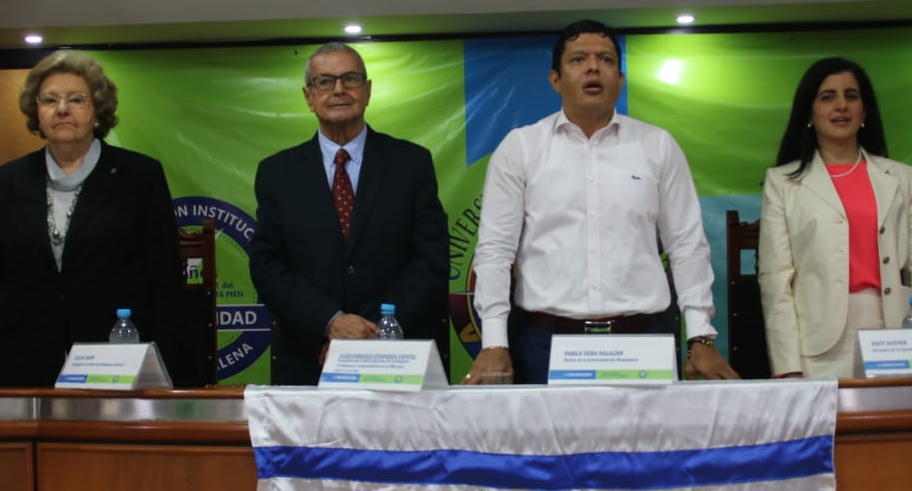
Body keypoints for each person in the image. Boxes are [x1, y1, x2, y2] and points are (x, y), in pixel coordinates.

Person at [464, 19, 738, 384]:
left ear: (620, 80)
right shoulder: (522, 148)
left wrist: (700, 334)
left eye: (606, 60)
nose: (593, 67)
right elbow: (496, 251)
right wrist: (494, 341)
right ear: (555, 80)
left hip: (643, 340)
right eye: (578, 59)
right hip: (545, 343)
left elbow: (686, 246)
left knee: (647, 442)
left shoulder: (657, 146)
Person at [0, 50, 194, 387]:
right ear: (36, 111)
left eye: (76, 99)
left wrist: (168, 378)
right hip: (22, 368)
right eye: (49, 100)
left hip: (116, 370)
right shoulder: (5, 182)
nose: (62, 109)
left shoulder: (139, 177)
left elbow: (165, 283)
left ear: (98, 110)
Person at [249, 43, 448, 385]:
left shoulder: (411, 163)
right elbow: (267, 266)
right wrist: (330, 322)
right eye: (325, 81)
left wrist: (370, 329)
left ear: (367, 91)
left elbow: (432, 259)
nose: (338, 89)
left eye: (350, 79)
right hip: (309, 356)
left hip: (397, 356)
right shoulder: (277, 173)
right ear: (308, 96)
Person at [758, 56, 912, 379]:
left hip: (896, 334)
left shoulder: (902, 178)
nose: (841, 106)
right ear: (809, 113)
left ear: (865, 111)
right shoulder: (783, 183)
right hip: (817, 347)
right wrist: (787, 365)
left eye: (851, 96)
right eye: (827, 97)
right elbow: (776, 281)